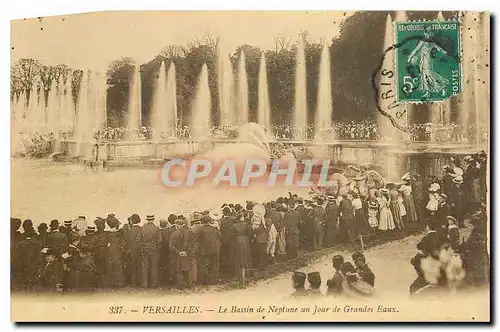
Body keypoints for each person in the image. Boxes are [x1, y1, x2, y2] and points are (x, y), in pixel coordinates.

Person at [169, 218, 195, 289]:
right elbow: (192, 243)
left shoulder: (174, 234)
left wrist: (178, 252)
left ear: (177, 225)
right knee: (188, 268)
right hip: (187, 254)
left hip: (178, 254)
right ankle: (189, 284)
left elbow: (171, 246)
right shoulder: (189, 232)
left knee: (179, 269)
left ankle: (181, 285)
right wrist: (187, 251)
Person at [197, 211, 221, 285]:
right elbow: (219, 236)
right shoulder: (214, 229)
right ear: (209, 221)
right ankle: (215, 280)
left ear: (202, 222)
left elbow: (198, 240)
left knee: (204, 265)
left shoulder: (200, 230)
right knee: (215, 265)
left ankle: (206, 281)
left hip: (204, 250)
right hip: (215, 249)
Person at [139, 214, 162, 288]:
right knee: (154, 267)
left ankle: (144, 284)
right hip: (154, 250)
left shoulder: (142, 228)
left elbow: (138, 240)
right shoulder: (156, 228)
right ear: (153, 219)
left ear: (147, 219)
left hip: (145, 250)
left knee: (145, 267)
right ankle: (154, 284)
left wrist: (143, 247)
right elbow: (159, 240)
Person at [230, 211, 252, 279]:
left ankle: (238, 274)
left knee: (238, 257)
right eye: (242, 217)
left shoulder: (234, 226)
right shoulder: (246, 224)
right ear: (240, 218)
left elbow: (231, 235)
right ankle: (248, 273)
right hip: (245, 241)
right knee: (246, 256)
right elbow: (250, 234)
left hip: (237, 241)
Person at [104, 215, 125, 289]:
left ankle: (110, 283)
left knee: (109, 267)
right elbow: (122, 243)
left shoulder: (107, 234)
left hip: (109, 252)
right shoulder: (119, 234)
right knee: (118, 267)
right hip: (117, 252)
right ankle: (119, 283)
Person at [124, 214, 142, 287]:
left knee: (133, 266)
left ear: (132, 221)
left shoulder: (129, 231)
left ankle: (134, 282)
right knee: (140, 266)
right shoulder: (141, 229)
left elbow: (126, 241)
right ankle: (140, 281)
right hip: (140, 250)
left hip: (131, 251)